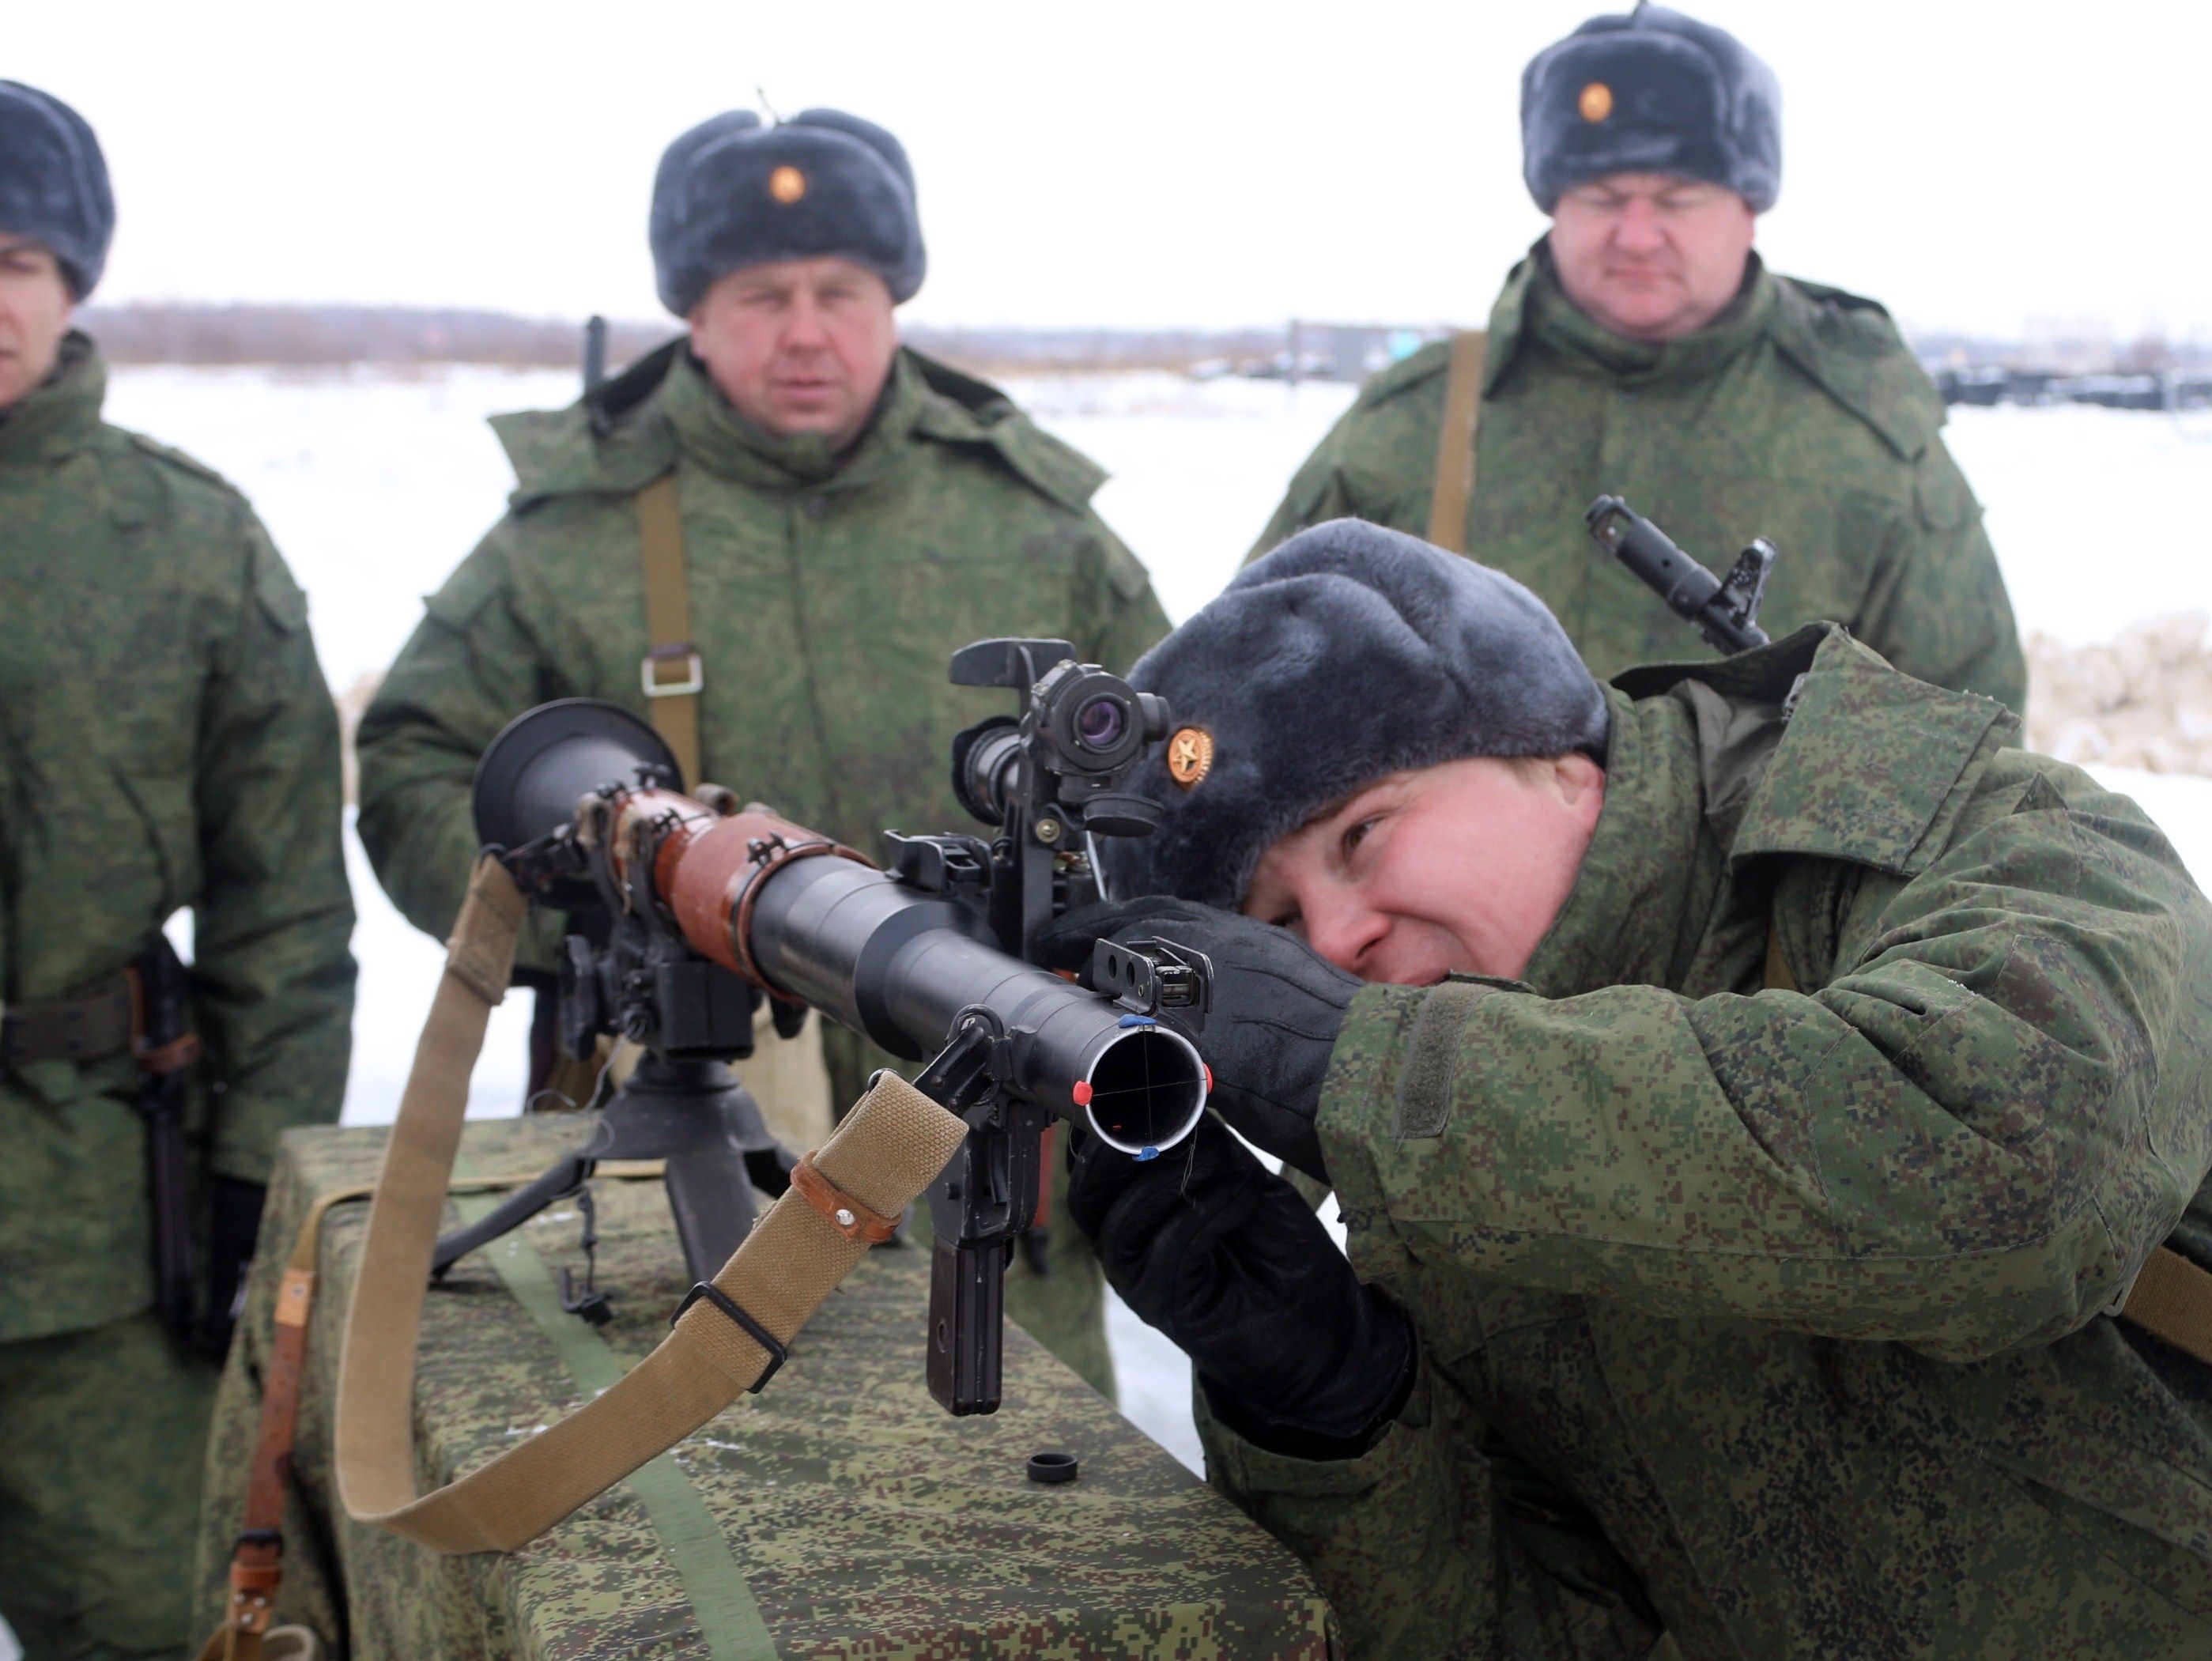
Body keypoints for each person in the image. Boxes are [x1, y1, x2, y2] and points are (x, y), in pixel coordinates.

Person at [1045, 519, 2212, 1659]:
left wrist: (1370, 1077)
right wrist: (1336, 1416)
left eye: (1361, 836)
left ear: (1559, 758)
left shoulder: (1956, 832)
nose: (1336, 938)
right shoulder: (1434, 1169)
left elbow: (2014, 1174)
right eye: (1277, 925)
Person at [355, 108, 1168, 1398]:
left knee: (1030, 1521)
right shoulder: (574, 531)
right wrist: (598, 892)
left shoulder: (1034, 526)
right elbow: (414, 765)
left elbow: (1171, 792)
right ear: (691, 311)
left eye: (839, 290)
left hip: (993, 1168)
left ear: (892, 299)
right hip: (676, 1163)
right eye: (760, 294)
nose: (805, 330)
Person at [0, 82, 356, 1660]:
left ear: (71, 281)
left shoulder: (189, 544)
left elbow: (282, 904)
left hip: (97, 1267)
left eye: (13, 257)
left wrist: (249, 1189)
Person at [1253, 6, 2027, 709]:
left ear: (1747, 210)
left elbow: (1965, 759)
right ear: (1552, 205)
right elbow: (1239, 687)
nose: (1634, 235)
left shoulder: (1866, 438)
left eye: (1675, 200)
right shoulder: (1416, 420)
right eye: (1599, 197)